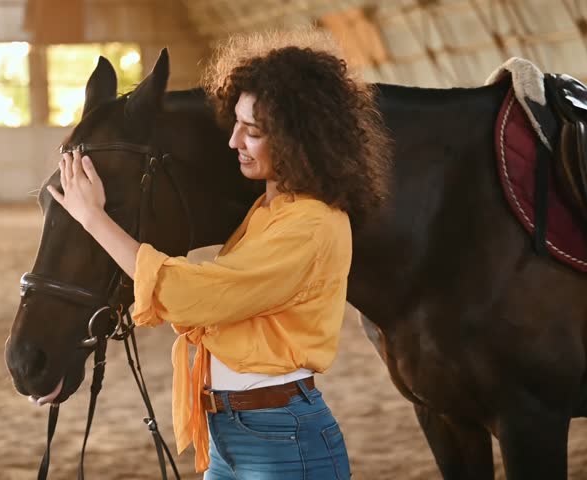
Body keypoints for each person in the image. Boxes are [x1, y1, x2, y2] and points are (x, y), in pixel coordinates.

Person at [46, 32, 391, 479]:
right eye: (236, 125)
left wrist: (94, 218)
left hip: (282, 438)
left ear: (299, 139)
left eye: (253, 131)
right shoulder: (268, 211)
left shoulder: (311, 224)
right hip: (230, 432)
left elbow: (199, 295)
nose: (233, 142)